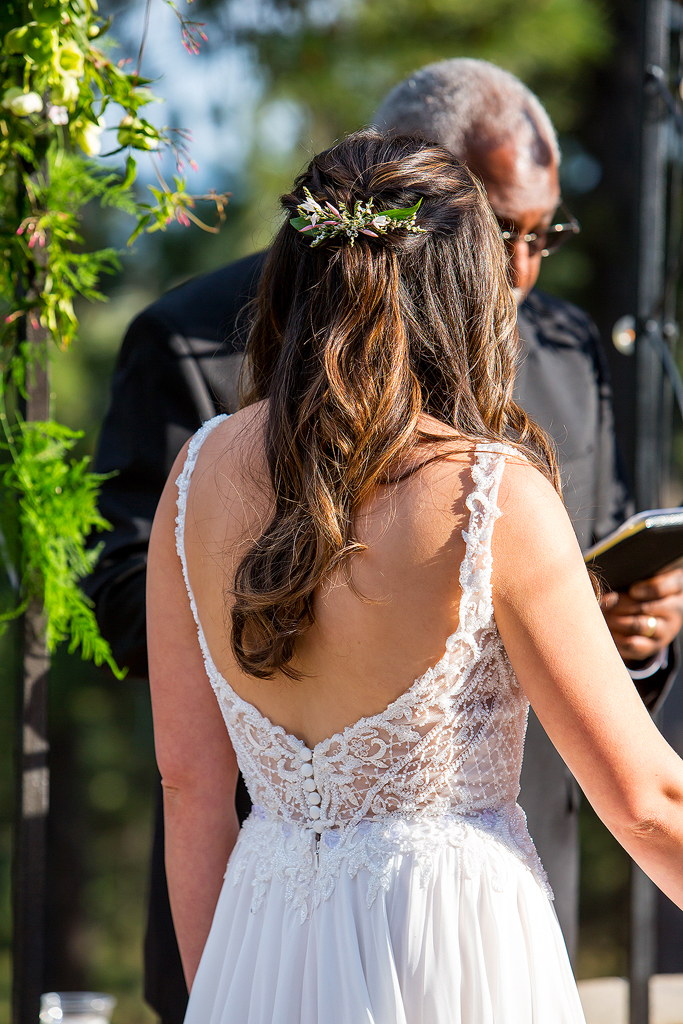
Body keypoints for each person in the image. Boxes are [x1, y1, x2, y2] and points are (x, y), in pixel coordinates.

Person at [84, 61, 682, 1022]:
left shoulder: (197, 477)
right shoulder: (489, 494)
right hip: (448, 949)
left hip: (258, 940)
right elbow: (648, 802)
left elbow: (191, 786)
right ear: (466, 288)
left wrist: (221, 994)